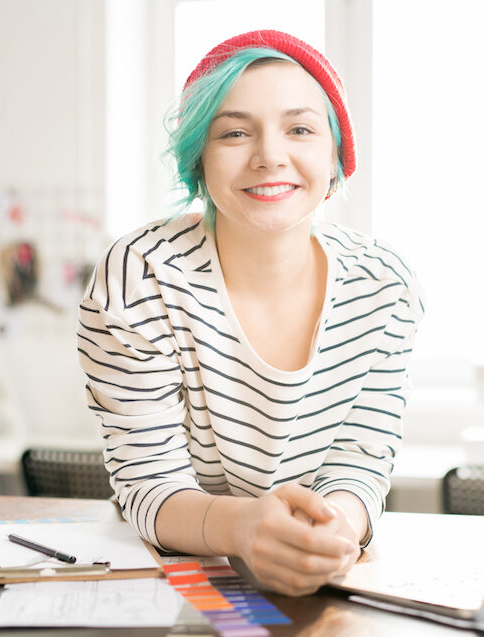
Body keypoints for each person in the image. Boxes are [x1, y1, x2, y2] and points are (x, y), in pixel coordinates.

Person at [77, 29, 423, 596]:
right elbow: (148, 484)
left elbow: (361, 461)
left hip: (319, 583)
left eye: (301, 129)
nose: (269, 156)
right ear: (199, 159)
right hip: (171, 579)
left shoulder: (385, 285)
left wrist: (337, 528)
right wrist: (242, 528)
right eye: (234, 132)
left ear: (335, 155)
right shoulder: (139, 275)